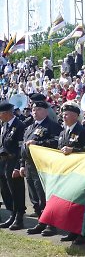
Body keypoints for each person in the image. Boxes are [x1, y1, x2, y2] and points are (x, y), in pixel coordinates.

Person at [21, 101, 62, 236]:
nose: (35, 112)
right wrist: (22, 165)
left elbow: (56, 142)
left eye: (38, 109)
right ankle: (41, 221)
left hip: (43, 166)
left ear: (45, 111)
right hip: (29, 165)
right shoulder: (29, 127)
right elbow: (23, 147)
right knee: (34, 197)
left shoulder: (52, 126)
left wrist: (38, 143)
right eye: (33, 109)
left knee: (44, 196)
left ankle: (51, 224)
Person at [57, 102, 85, 245]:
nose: (64, 116)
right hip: (67, 173)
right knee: (70, 203)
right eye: (63, 114)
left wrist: (74, 150)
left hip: (80, 172)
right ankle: (73, 231)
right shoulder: (63, 132)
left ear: (76, 116)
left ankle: (84, 233)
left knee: (81, 204)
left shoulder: (83, 131)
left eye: (67, 114)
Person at [0, 102, 26, 230]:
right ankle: (12, 214)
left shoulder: (19, 125)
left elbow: (21, 148)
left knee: (16, 191)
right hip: (4, 162)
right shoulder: (4, 125)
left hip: (14, 161)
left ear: (7, 113)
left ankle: (19, 218)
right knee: (6, 190)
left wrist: (17, 166)